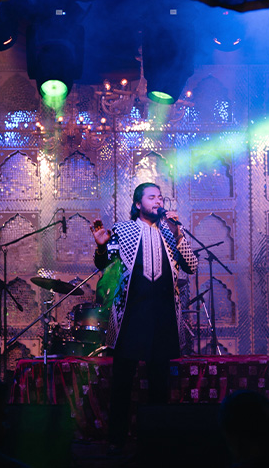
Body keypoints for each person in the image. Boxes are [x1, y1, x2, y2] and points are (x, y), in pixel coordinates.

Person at [92, 182, 198, 450]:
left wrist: (179, 234)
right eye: (151, 197)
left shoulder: (170, 231)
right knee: (123, 380)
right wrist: (101, 247)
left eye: (160, 197)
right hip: (131, 314)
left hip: (163, 315)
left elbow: (192, 266)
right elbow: (103, 263)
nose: (158, 201)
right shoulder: (124, 229)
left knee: (159, 380)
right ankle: (117, 440)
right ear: (138, 204)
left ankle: (156, 441)